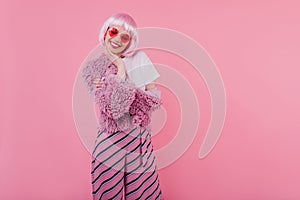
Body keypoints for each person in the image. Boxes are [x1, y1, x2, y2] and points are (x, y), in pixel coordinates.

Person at [81, 12, 164, 200]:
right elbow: (113, 109)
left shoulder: (140, 57)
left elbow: (154, 100)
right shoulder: (93, 69)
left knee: (145, 193)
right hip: (109, 139)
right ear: (105, 33)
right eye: (113, 32)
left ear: (130, 41)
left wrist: (123, 93)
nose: (117, 39)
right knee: (107, 193)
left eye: (124, 37)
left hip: (138, 140)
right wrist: (120, 68)